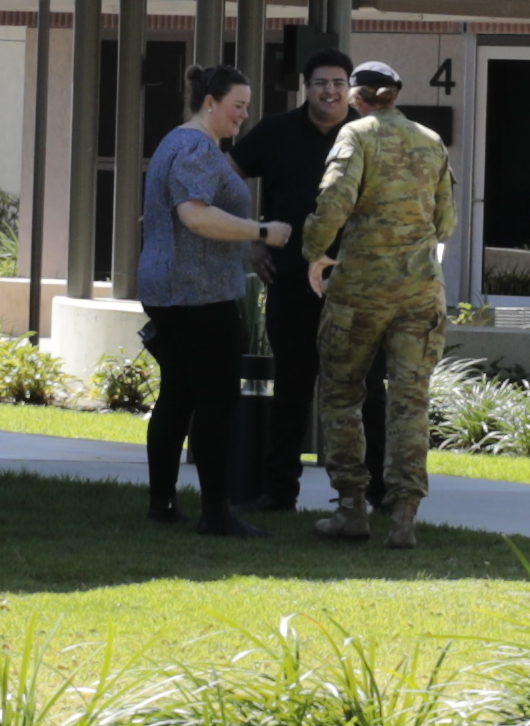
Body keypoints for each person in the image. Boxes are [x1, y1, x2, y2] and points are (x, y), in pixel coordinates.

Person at [300, 55, 463, 546]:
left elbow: (333, 204)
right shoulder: (430, 140)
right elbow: (446, 222)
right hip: (420, 290)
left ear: (357, 96)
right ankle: (404, 518)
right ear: (396, 94)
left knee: (342, 394)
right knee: (410, 402)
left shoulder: (356, 135)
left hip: (361, 291)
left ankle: (351, 509)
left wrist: (313, 250)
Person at [133, 59, 289, 538]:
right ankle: (217, 514)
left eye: (246, 107)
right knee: (217, 400)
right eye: (237, 106)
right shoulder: (198, 147)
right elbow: (195, 217)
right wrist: (263, 230)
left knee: (177, 396)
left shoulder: (178, 141)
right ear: (210, 103)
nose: (243, 115)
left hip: (172, 290)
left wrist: (244, 248)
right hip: (195, 295)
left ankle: (162, 505)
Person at [230, 48, 355, 515]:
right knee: (292, 391)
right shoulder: (276, 131)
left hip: (355, 287)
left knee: (361, 391)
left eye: (339, 83)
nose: (330, 91)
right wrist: (250, 238)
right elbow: (226, 177)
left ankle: (364, 496)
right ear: (307, 86)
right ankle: (279, 492)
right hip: (291, 282)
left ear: (350, 87)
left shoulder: (367, 133)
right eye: (322, 82)